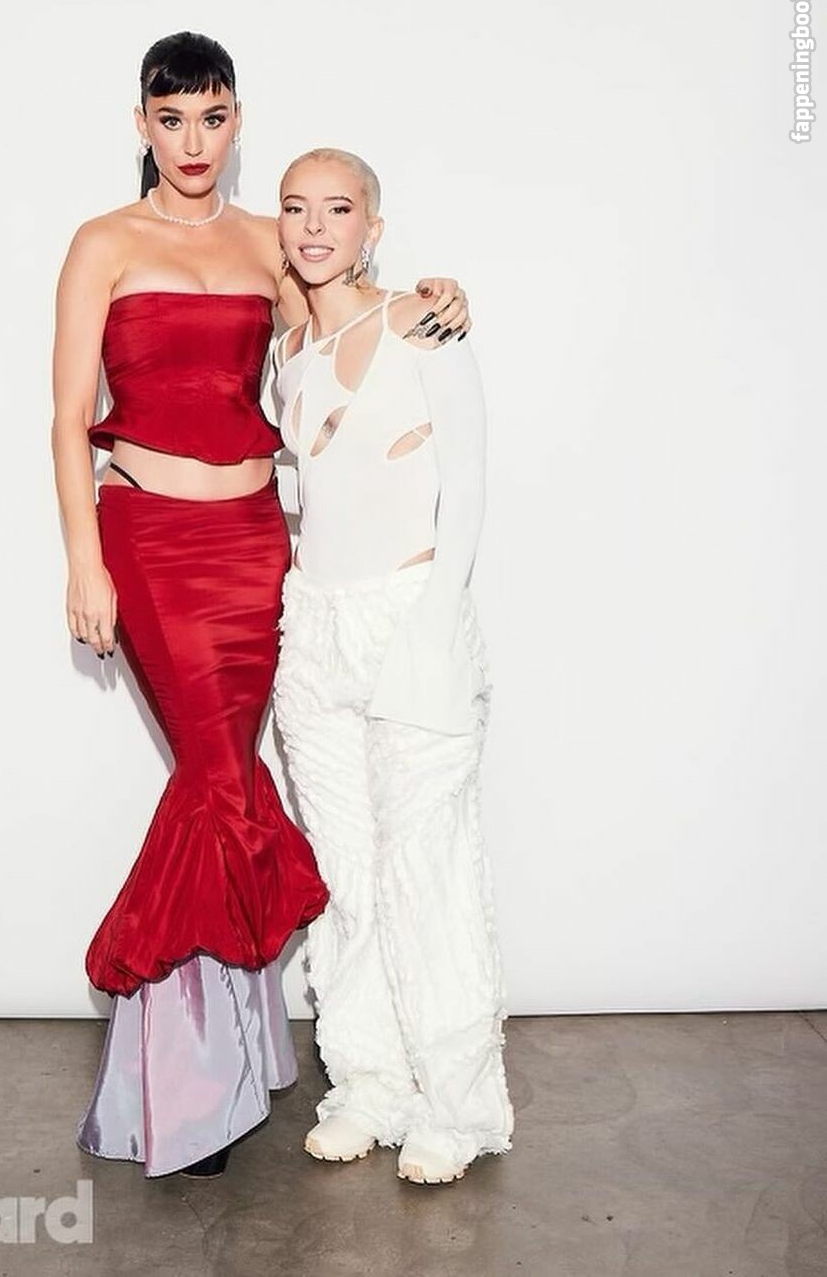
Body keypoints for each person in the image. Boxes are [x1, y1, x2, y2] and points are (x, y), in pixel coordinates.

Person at [49, 32, 472, 1180]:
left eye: (214, 117)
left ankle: (230, 1062)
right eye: (171, 118)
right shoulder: (103, 243)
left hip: (252, 548)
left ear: (236, 121)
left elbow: (346, 316)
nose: (193, 141)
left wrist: (431, 297)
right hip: (148, 543)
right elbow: (66, 417)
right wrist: (84, 561)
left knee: (223, 781)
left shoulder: (263, 245)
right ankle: (192, 1094)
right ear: (142, 123)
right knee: (215, 779)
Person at [270, 148, 515, 1185]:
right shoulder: (288, 351)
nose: (315, 226)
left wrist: (434, 622)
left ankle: (457, 1106)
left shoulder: (425, 321)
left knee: (427, 870)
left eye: (339, 208)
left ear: (373, 226)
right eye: (296, 207)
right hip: (314, 631)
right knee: (348, 875)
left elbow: (468, 482)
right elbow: (305, 493)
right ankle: (371, 1082)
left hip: (411, 617)